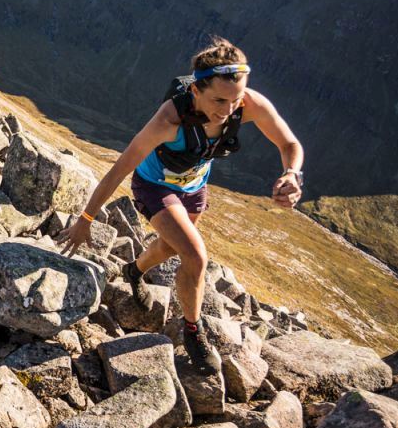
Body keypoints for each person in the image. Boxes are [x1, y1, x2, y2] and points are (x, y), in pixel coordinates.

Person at [54, 36, 304, 375]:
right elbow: (119, 170)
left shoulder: (245, 103)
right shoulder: (167, 122)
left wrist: (292, 174)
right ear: (196, 90)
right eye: (219, 99)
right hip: (154, 187)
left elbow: (289, 142)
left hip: (194, 188)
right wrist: (85, 218)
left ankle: (134, 271)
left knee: (172, 248)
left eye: (236, 98)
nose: (229, 108)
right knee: (195, 255)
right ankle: (193, 332)